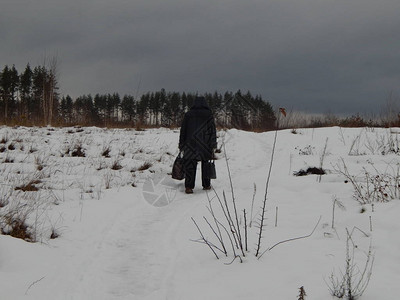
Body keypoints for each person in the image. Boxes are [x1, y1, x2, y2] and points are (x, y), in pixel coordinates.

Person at [179, 96, 217, 194]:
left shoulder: (188, 115)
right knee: (206, 164)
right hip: (205, 144)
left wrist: (181, 144)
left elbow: (183, 130)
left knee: (190, 166)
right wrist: (213, 144)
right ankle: (206, 185)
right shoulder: (209, 115)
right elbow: (212, 131)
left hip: (190, 144)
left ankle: (189, 187)